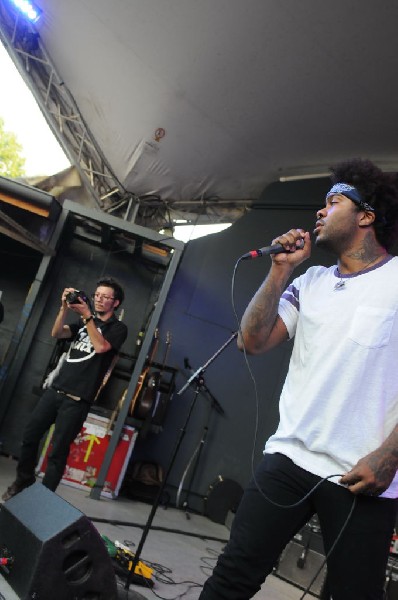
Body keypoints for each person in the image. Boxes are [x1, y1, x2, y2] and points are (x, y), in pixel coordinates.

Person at [199, 158, 398, 600]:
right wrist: (279, 270)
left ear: (366, 216)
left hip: (360, 476)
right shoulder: (310, 281)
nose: (320, 212)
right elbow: (252, 341)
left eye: (334, 202)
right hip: (288, 458)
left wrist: (390, 454)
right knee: (231, 578)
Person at [2, 276, 128, 501]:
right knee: (30, 436)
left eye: (105, 297)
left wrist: (87, 316)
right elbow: (57, 333)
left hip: (77, 400)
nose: (99, 300)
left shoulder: (117, 328)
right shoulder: (82, 323)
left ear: (115, 303)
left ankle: (43, 499)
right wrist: (63, 309)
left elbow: (100, 347)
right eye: (97, 295)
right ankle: (24, 479)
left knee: (58, 452)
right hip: (56, 390)